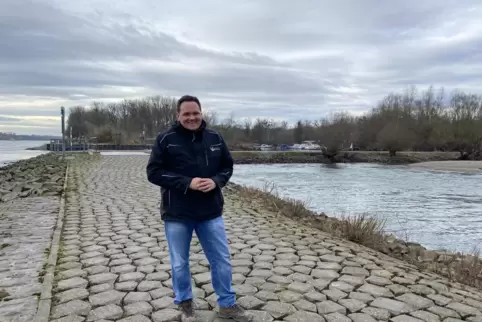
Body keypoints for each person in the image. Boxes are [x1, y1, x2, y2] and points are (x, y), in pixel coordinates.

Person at [146, 95, 252, 322]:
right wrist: (187, 183)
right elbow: (153, 172)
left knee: (221, 259)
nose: (192, 117)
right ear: (178, 115)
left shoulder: (215, 137)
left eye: (196, 113)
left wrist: (216, 181)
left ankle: (227, 304)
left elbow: (227, 166)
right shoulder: (165, 139)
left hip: (210, 211)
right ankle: (184, 302)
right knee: (179, 262)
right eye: (186, 114)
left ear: (201, 113)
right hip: (177, 213)